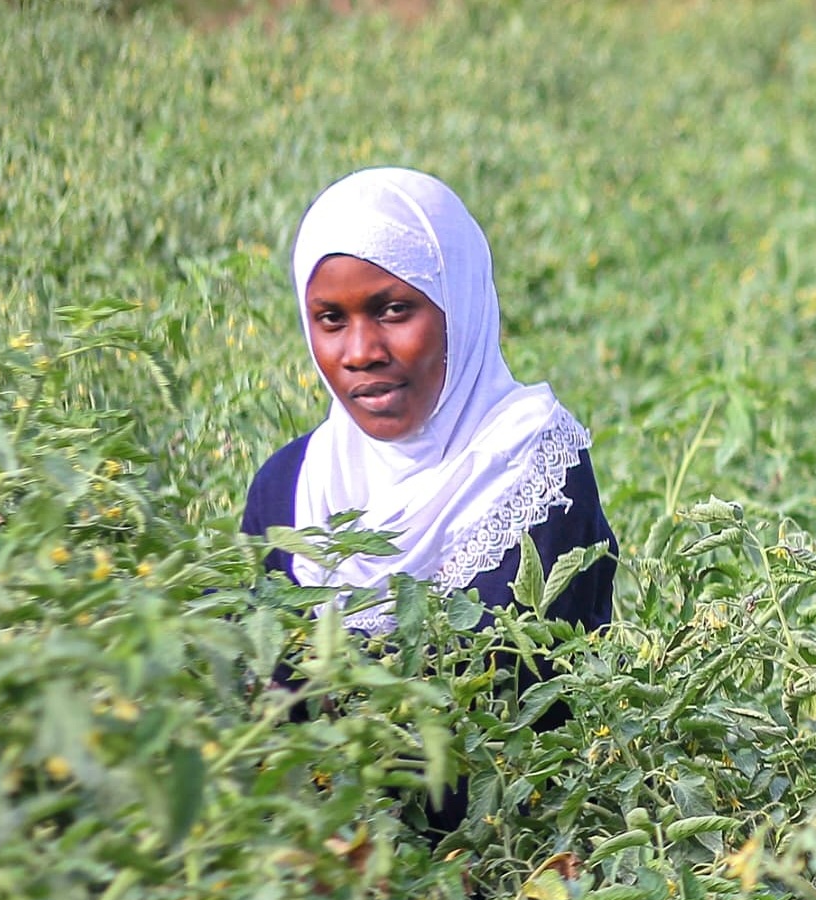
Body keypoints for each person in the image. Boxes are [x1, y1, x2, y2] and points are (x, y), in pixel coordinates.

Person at [242, 167, 616, 830]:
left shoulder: (535, 472)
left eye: (393, 310)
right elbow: (270, 724)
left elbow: (545, 724)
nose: (360, 352)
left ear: (459, 304)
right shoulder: (288, 492)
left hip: (509, 878)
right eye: (331, 319)